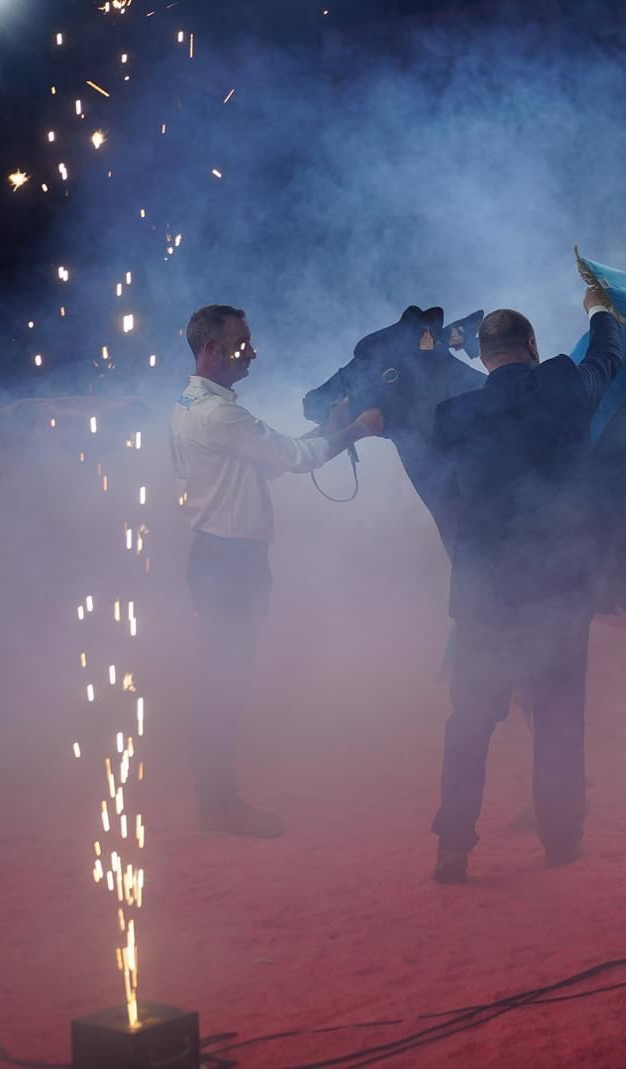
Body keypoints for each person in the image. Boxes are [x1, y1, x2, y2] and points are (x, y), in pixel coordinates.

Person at [430, 283, 624, 884]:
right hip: (556, 589)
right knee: (559, 714)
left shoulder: (454, 415)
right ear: (534, 346)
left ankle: (453, 847)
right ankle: (561, 841)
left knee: (470, 719)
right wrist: (600, 311)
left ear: (486, 358)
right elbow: (608, 361)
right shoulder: (563, 384)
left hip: (485, 593)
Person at [170, 304, 383, 837]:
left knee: (222, 682)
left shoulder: (196, 405)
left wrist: (325, 432)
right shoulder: (221, 415)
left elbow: (272, 459)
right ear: (210, 350)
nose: (253, 351)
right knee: (224, 685)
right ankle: (218, 805)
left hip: (220, 557)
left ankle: (216, 797)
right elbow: (290, 458)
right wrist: (354, 431)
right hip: (229, 563)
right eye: (241, 342)